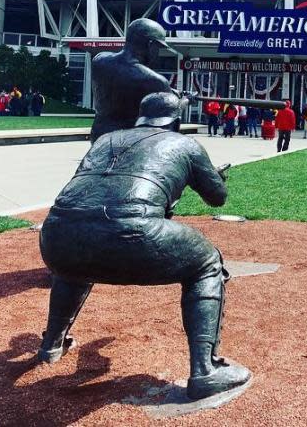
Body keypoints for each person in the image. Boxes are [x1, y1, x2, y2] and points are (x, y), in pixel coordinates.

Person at [36, 92, 250, 400]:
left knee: (80, 247)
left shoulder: (105, 140)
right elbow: (217, 197)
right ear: (176, 121)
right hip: (131, 234)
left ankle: (51, 345)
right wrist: (213, 175)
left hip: (56, 237)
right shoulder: (185, 144)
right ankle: (206, 370)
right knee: (207, 262)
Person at [90, 18, 174, 141]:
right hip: (127, 142)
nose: (158, 53)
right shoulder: (156, 81)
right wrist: (185, 100)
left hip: (99, 135)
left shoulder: (99, 60)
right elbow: (170, 110)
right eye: (158, 47)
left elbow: (121, 84)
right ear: (150, 44)